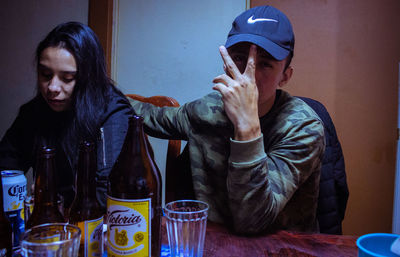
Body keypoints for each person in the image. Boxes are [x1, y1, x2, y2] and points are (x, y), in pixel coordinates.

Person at [129, 5, 325, 234]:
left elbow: (253, 222)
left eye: (265, 64)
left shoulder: (303, 127)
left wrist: (247, 125)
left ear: (285, 76)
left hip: (282, 247)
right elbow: (148, 116)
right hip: (213, 242)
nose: (248, 74)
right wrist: (96, 87)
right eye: (240, 58)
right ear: (226, 63)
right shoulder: (209, 109)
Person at [0, 22, 132, 210]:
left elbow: (108, 192)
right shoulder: (33, 112)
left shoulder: (113, 112)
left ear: (89, 78)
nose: (52, 88)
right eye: (45, 74)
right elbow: (6, 166)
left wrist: (53, 202)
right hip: (48, 226)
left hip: (97, 228)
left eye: (67, 78)